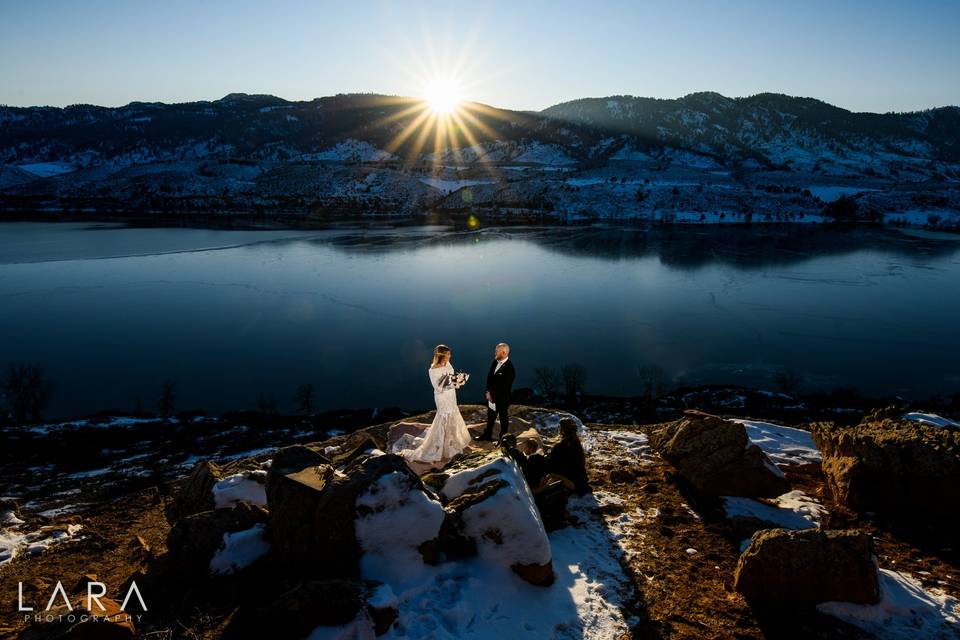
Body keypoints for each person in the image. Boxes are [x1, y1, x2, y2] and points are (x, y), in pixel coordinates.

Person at [401, 345, 472, 463]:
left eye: (449, 354)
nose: (450, 356)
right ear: (441, 355)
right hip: (442, 397)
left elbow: (450, 377)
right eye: (448, 354)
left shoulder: (448, 364)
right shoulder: (433, 370)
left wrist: (459, 380)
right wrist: (454, 383)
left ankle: (452, 444)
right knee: (444, 418)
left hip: (451, 396)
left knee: (453, 416)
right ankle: (441, 448)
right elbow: (438, 387)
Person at [477, 342, 515, 441]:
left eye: (497, 351)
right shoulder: (495, 362)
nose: (495, 353)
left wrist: (491, 394)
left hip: (502, 399)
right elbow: (489, 378)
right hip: (491, 397)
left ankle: (503, 439)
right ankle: (487, 435)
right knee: (490, 417)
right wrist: (488, 392)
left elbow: (504, 387)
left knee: (503, 419)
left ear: (503, 352)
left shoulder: (510, 369)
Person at [547, 418, 590, 495]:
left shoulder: (559, 446)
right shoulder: (577, 444)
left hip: (568, 480)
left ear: (562, 430)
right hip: (579, 480)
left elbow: (553, 465)